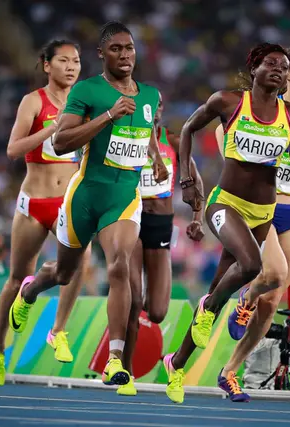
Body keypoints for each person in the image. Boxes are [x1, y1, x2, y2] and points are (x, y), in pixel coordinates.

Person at [7, 21, 168, 387]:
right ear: (102, 54)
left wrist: (155, 156)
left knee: (119, 266)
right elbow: (62, 142)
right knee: (63, 274)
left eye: (129, 48)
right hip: (84, 195)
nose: (125, 55)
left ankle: (114, 360)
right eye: (116, 49)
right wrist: (108, 115)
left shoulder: (150, 94)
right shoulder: (87, 91)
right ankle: (30, 289)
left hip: (123, 198)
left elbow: (144, 130)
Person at [163, 42, 290, 404]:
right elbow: (187, 131)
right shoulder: (227, 102)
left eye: (284, 66)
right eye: (272, 64)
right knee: (251, 266)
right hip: (225, 203)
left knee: (220, 287)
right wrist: (186, 179)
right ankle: (210, 307)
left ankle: (176, 364)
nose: (279, 69)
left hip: (264, 212)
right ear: (255, 68)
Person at [212, 42, 290, 402]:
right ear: (286, 71)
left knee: (273, 301)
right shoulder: (262, 110)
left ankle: (230, 371)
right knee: (273, 275)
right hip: (262, 208)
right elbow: (228, 143)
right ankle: (246, 296)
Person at [0, 39, 91, 386]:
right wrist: (52, 128)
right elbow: (13, 149)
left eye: (76, 61)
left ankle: (58, 330)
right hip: (34, 203)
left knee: (78, 266)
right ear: (47, 65)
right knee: (16, 277)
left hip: (70, 201)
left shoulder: (86, 101)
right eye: (63, 60)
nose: (72, 67)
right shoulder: (33, 101)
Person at [116, 94, 205, 396]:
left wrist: (197, 217)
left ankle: (128, 333)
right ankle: (123, 371)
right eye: (146, 109)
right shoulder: (127, 139)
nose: (153, 113)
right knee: (133, 300)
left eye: (157, 109)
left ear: (161, 112)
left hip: (160, 225)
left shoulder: (174, 141)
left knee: (157, 311)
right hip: (130, 220)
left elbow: (194, 179)